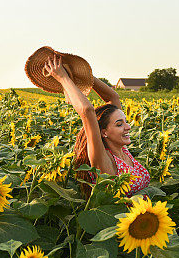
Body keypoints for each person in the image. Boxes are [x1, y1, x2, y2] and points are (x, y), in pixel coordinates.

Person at [43, 54, 150, 197]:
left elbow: (113, 97)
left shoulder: (122, 150)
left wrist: (82, 75)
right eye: (119, 124)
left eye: (125, 121)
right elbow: (87, 111)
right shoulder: (103, 160)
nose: (128, 127)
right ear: (104, 132)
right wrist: (63, 78)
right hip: (122, 219)